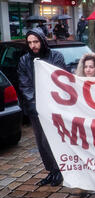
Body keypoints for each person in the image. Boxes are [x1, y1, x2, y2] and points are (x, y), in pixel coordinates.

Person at [18, 28, 66, 187]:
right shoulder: (24, 60)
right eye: (30, 42)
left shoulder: (56, 57)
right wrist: (34, 105)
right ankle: (52, 170)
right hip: (35, 109)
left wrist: (49, 103)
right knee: (41, 142)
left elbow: (60, 80)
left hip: (54, 106)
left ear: (42, 40)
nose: (33, 45)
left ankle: (60, 169)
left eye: (36, 41)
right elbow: (25, 85)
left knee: (50, 140)